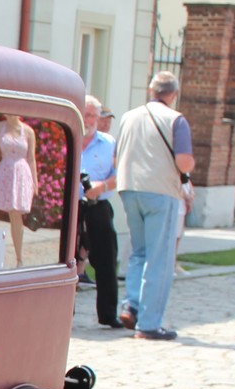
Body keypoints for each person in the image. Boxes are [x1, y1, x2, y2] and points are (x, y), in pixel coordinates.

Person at [113, 71, 193, 340]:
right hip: (160, 191)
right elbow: (183, 161)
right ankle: (148, 323)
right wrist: (190, 168)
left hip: (129, 188)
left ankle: (131, 305)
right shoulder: (176, 120)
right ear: (173, 94)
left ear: (151, 90)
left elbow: (117, 157)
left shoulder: (128, 117)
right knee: (159, 259)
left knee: (139, 252)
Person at [78, 96, 123, 328]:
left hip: (98, 205)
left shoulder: (109, 143)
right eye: (85, 114)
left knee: (106, 259)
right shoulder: (68, 137)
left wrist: (102, 186)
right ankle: (65, 312)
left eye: (92, 115)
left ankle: (108, 314)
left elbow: (120, 173)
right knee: (67, 262)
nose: (88, 120)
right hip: (71, 206)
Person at [0, 111, 37, 264]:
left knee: (16, 214)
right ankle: (9, 256)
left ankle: (19, 257)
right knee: (5, 213)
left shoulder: (28, 131)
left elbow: (31, 159)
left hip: (21, 173)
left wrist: (35, 181)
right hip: (5, 171)